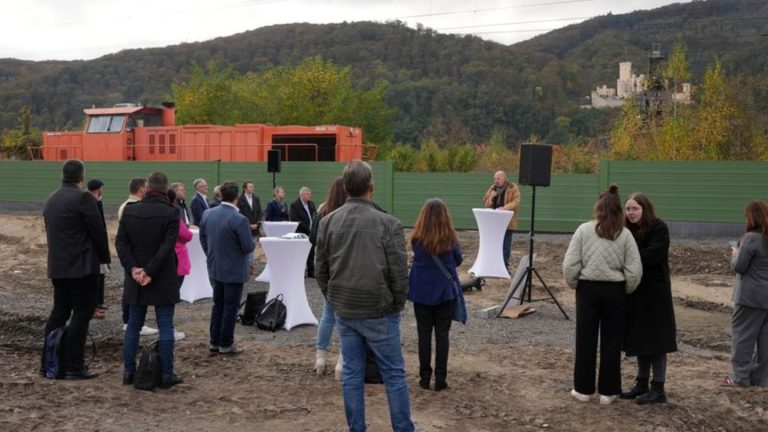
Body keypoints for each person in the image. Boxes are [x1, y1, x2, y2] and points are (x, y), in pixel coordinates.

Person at [316, 161, 414, 432]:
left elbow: (320, 270)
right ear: (371, 187)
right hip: (378, 310)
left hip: (346, 310)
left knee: (352, 374)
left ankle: (356, 428)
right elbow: (398, 272)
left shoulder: (327, 222)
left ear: (346, 187)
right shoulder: (388, 223)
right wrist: (396, 303)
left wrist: (334, 299)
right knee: (393, 374)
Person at [562, 184, 642, 405]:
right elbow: (634, 270)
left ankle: (583, 389)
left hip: (587, 289)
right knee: (612, 341)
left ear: (598, 207)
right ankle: (608, 391)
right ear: (618, 210)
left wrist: (574, 283)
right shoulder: (625, 235)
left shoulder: (583, 230)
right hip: (614, 291)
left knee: (585, 339)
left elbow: (570, 264)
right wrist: (625, 289)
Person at [42, 160, 110, 379]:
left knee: (59, 312)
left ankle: (49, 362)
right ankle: (74, 366)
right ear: (81, 177)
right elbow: (98, 231)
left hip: (58, 267)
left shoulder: (51, 199)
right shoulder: (84, 199)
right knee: (82, 314)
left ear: (62, 175)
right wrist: (104, 260)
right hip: (82, 267)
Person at [116, 172, 183, 388]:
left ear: (147, 188)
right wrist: (149, 271)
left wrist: (134, 269)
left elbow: (121, 244)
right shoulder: (171, 212)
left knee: (133, 325)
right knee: (165, 327)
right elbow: (167, 247)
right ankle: (166, 375)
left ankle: (128, 372)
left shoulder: (130, 210)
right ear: (165, 189)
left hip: (135, 278)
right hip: (161, 275)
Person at [621, 192, 677, 404]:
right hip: (636, 291)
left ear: (644, 209)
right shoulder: (627, 230)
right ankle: (641, 383)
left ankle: (658, 388)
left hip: (655, 293)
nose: (631, 213)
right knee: (640, 338)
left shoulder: (659, 228)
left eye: (635, 208)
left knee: (656, 341)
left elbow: (654, 254)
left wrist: (628, 259)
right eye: (628, 209)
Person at [408, 198, 463, 392]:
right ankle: (441, 379)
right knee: (442, 336)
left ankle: (424, 377)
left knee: (423, 335)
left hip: (421, 293)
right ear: (445, 217)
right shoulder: (450, 239)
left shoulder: (416, 239)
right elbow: (458, 261)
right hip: (444, 293)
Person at [200, 181, 255, 355]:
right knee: (231, 307)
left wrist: (211, 254)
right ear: (236, 197)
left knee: (218, 305)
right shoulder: (239, 219)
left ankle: (214, 341)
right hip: (233, 268)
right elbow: (248, 246)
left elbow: (203, 238)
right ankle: (226, 342)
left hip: (215, 266)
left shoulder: (208, 214)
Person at [723, 200, 768, 387]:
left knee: (743, 336)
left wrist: (735, 253)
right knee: (765, 340)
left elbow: (740, 267)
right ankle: (761, 379)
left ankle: (740, 377)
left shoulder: (751, 238)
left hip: (750, 297)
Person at [310, 177, 347, 379]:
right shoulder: (348, 212)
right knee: (345, 318)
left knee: (327, 315)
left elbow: (312, 237)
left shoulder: (323, 210)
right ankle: (342, 362)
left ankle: (320, 357)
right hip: (346, 267)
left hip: (328, 268)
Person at [118, 178, 159, 337]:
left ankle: (129, 321)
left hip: (130, 256)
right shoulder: (131, 207)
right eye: (147, 188)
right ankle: (130, 321)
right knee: (131, 289)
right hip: (134, 257)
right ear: (142, 189)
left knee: (130, 288)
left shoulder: (127, 205)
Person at [167, 188, 191, 342]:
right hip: (176, 257)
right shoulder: (173, 213)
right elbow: (186, 235)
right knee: (171, 296)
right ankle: (169, 329)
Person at [483, 170, 521, 267]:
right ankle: (494, 265)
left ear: (504, 178)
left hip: (507, 221)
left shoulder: (512, 188)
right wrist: (491, 197)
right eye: (495, 179)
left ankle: (504, 266)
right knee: (494, 244)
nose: (496, 180)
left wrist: (504, 208)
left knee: (505, 245)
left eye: (498, 178)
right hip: (494, 221)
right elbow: (485, 203)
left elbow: (516, 202)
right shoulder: (492, 188)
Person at [86, 178, 109, 318]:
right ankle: (93, 305)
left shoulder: (96, 202)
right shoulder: (91, 203)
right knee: (95, 278)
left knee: (101, 276)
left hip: (98, 247)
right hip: (94, 248)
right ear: (98, 188)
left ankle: (98, 302)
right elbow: (97, 228)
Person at [290, 186, 317, 277]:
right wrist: (307, 227)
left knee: (311, 251)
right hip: (301, 232)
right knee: (301, 253)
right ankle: (300, 271)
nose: (310, 195)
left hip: (311, 232)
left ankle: (311, 271)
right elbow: (295, 219)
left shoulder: (311, 204)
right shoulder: (294, 205)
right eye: (308, 194)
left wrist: (314, 225)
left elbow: (314, 215)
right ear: (302, 194)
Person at [236, 181, 262, 275]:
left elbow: (259, 211)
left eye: (253, 186)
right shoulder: (240, 199)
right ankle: (246, 266)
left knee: (252, 248)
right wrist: (248, 225)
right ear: (245, 188)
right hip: (244, 227)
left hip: (255, 227)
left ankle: (251, 266)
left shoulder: (256, 198)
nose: (252, 188)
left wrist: (257, 224)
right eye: (250, 187)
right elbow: (239, 213)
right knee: (243, 248)